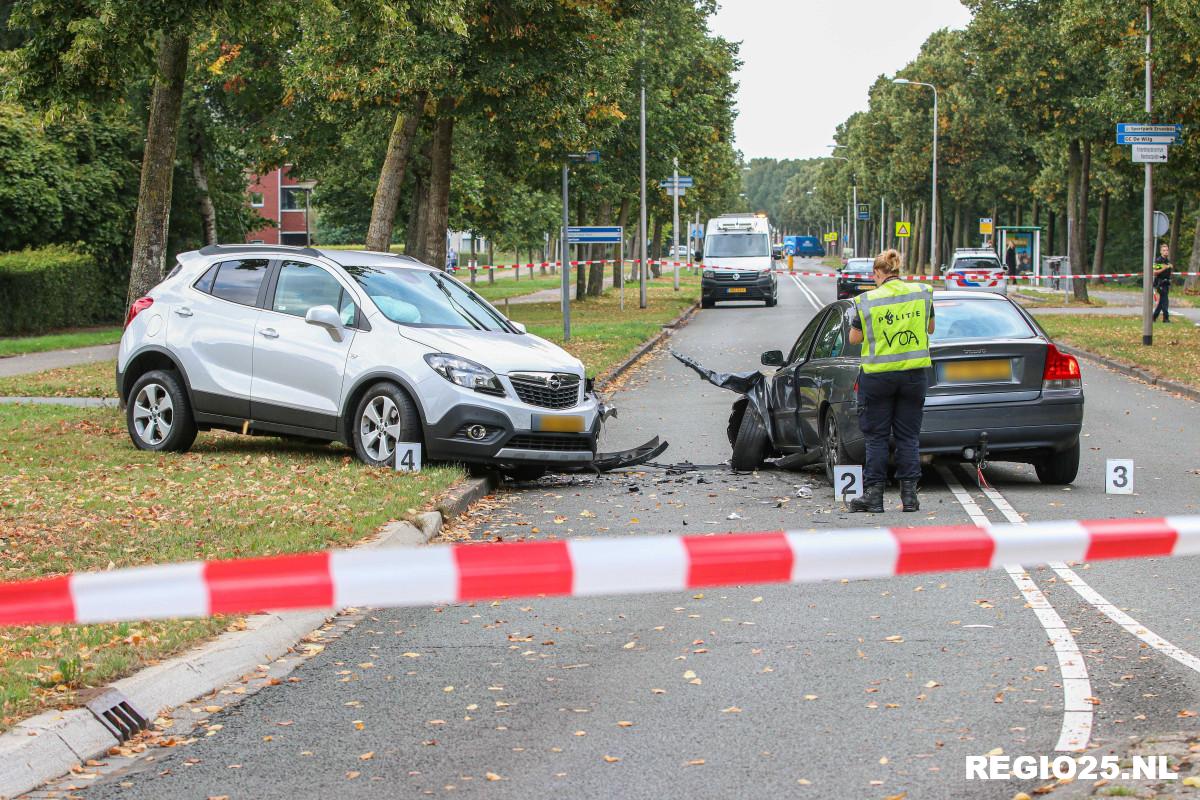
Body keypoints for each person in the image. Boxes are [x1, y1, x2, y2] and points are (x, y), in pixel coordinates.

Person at [846, 249, 935, 513]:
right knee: (908, 436)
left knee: (876, 438)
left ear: (877, 273)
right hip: (913, 376)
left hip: (878, 378)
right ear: (898, 271)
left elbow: (854, 339)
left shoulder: (866, 301)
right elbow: (930, 328)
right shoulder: (922, 292)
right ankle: (910, 498)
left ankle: (874, 496)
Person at [1153, 242, 1173, 323]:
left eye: (1167, 250)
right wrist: (1165, 268)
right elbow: (1155, 272)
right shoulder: (1158, 260)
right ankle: (1166, 318)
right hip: (1160, 283)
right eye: (1164, 250)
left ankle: (1153, 317)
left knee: (1161, 302)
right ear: (1161, 252)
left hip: (1166, 283)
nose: (1166, 252)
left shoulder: (1167, 260)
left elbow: (1167, 270)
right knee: (1165, 301)